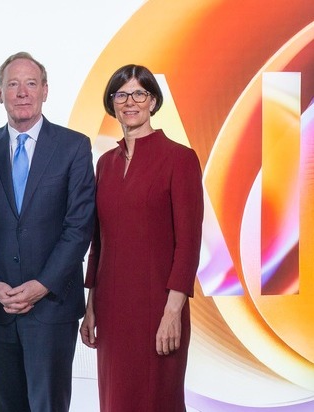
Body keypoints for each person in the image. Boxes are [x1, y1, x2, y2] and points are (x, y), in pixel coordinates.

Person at [79, 64, 203, 411]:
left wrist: (172, 312)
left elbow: (188, 245)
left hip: (158, 308)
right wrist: (91, 307)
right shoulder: (105, 164)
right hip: (111, 309)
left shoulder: (180, 159)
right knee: (116, 400)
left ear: (153, 101)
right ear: (112, 103)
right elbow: (99, 243)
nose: (130, 102)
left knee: (156, 400)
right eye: (121, 94)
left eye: (139, 93)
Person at [0, 51, 95, 412]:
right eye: (13, 84)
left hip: (52, 307)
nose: (22, 92)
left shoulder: (74, 146)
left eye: (31, 83)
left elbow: (79, 226)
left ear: (45, 90)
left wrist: (42, 285)